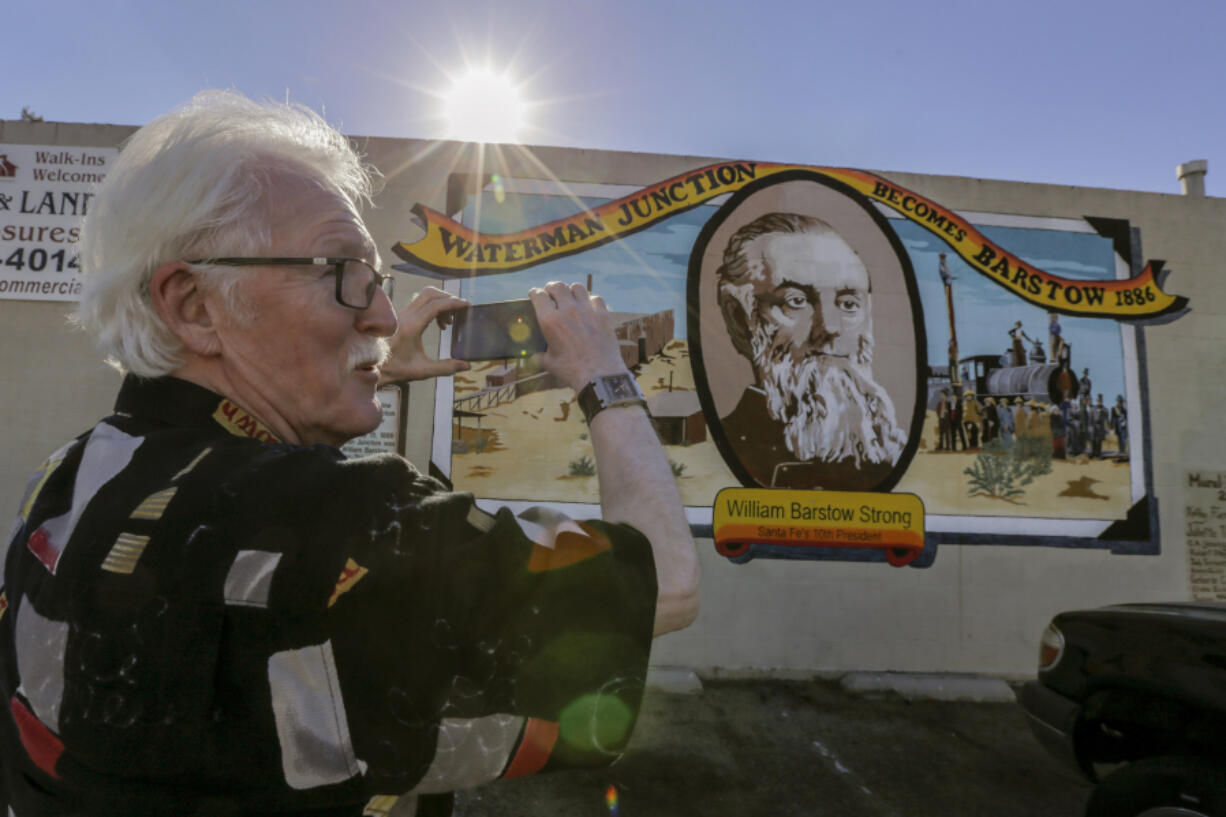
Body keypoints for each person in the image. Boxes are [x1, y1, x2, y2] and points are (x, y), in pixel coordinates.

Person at [0, 92, 699, 817]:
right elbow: (667, 582)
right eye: (342, 273)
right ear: (193, 304)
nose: (386, 316)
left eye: (377, 284)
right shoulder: (348, 515)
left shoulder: (67, 476)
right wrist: (602, 373)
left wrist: (359, 369)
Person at [715, 212, 906, 490]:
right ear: (739, 319)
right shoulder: (725, 444)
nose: (830, 326)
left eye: (849, 304)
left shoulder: (887, 454)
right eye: (797, 301)